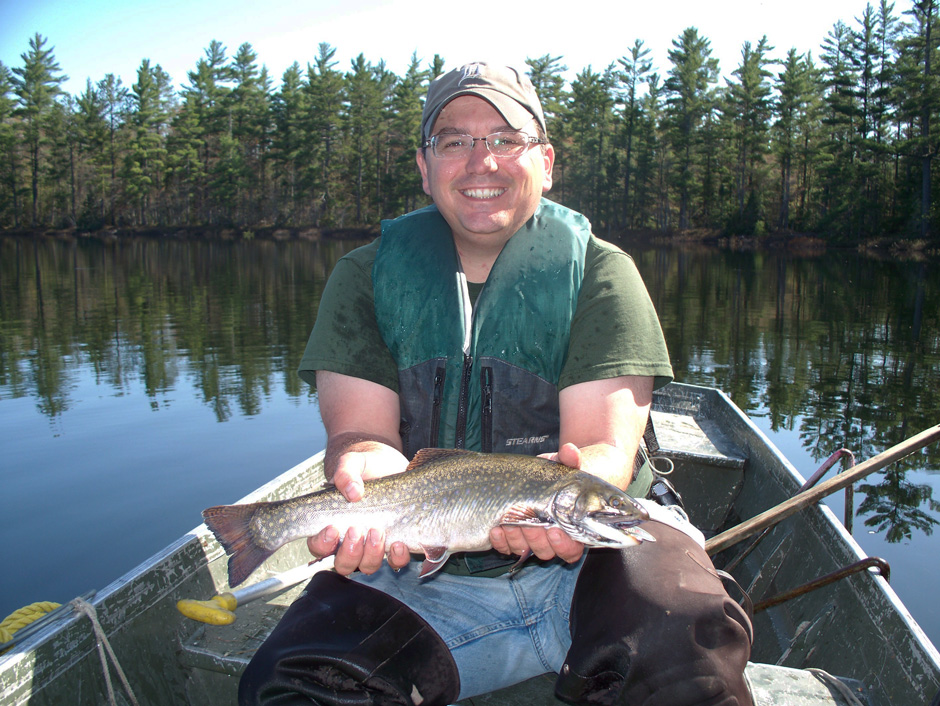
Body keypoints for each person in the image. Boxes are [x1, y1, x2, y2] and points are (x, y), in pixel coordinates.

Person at [239, 62, 754, 706]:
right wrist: (362, 468)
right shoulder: (362, 277)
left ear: (545, 160)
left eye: (505, 139)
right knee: (288, 687)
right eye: (455, 141)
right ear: (425, 167)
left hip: (605, 558)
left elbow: (602, 450)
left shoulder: (602, 273)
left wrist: (578, 485)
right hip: (423, 572)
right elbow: (361, 432)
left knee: (694, 665)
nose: (481, 161)